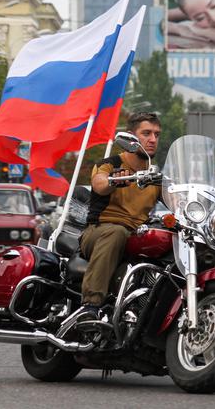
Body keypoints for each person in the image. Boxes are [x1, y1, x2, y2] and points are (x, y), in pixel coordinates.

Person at [77, 112, 162, 319]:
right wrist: (113, 180)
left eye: (157, 135)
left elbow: (178, 202)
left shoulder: (155, 176)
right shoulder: (111, 164)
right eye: (146, 133)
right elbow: (99, 184)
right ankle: (90, 306)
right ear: (131, 138)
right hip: (99, 232)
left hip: (135, 235)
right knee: (116, 232)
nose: (153, 139)